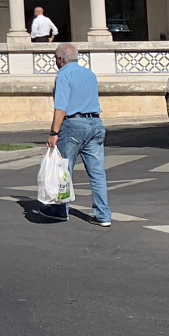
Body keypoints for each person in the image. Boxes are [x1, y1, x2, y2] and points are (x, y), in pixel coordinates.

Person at [47, 42, 111, 226]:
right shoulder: (90, 74)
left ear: (60, 59)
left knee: (64, 170)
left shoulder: (63, 75)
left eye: (55, 58)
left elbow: (61, 107)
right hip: (96, 122)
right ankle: (103, 215)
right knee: (97, 173)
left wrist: (54, 132)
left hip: (74, 124)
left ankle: (61, 210)